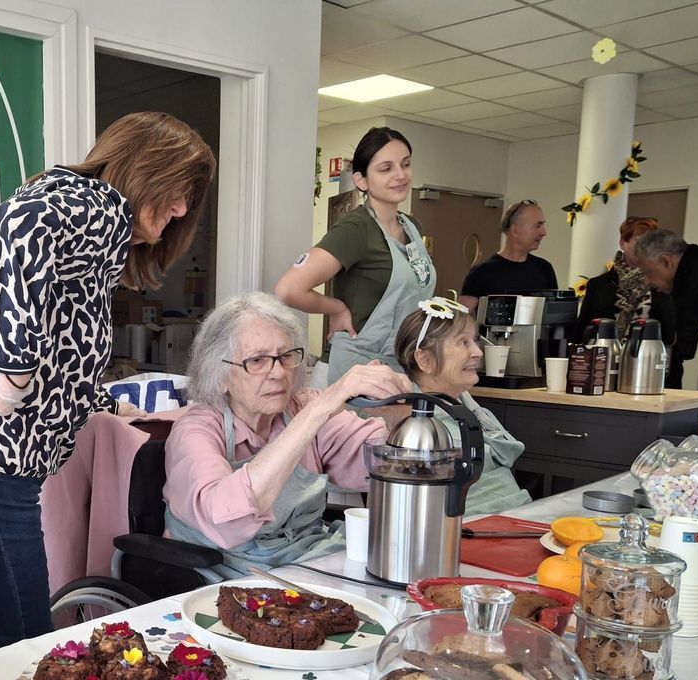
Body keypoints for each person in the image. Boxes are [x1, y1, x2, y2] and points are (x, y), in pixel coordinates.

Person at [0, 111, 216, 650]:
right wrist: (14, 371)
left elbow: (62, 343)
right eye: (180, 190)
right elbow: (26, 231)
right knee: (25, 644)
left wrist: (102, 405)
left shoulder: (89, 223)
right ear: (147, 169)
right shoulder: (99, 206)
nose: (182, 209)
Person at [162, 292, 408, 574]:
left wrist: (397, 417)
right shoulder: (195, 430)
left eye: (286, 356)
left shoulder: (301, 406)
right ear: (220, 376)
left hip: (307, 560)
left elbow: (387, 466)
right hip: (222, 574)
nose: (279, 372)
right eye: (257, 361)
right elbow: (226, 523)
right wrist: (317, 412)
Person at [275, 127, 435, 385]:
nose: (400, 175)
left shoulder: (412, 227)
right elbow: (288, 289)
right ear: (361, 180)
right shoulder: (356, 229)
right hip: (351, 371)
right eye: (386, 168)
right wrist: (336, 308)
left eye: (405, 164)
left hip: (397, 368)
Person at [392, 298, 532, 512]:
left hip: (513, 519)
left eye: (474, 341)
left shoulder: (463, 403)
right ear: (425, 360)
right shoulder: (418, 430)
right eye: (463, 342)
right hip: (463, 531)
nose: (478, 352)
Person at [576, 217, 680, 385]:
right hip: (604, 369)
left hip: (655, 370)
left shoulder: (665, 282)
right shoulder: (600, 284)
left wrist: (680, 350)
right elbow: (583, 328)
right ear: (623, 242)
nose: (644, 249)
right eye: (639, 241)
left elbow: (683, 323)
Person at [633, 229, 698, 389]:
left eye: (648, 272)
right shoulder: (697, 269)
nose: (647, 281)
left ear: (666, 261)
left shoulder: (697, 283)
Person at [458, 199, 557, 313]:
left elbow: (554, 314)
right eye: (537, 226)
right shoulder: (481, 273)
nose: (543, 232)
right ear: (515, 229)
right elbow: (460, 321)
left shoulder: (544, 269)